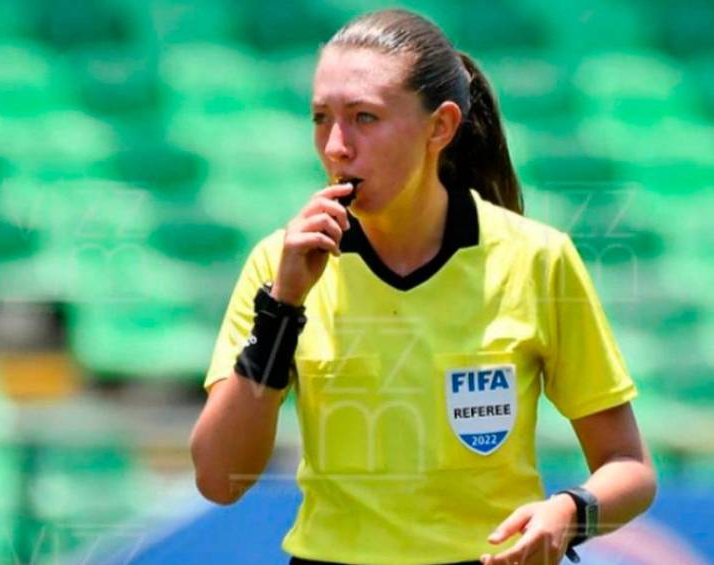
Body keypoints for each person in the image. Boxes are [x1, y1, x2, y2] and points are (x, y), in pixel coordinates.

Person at [190, 9, 657, 565]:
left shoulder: (538, 259)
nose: (336, 146)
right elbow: (219, 479)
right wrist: (283, 307)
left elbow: (630, 468)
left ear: (440, 127)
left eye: (364, 117)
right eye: (321, 118)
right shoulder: (279, 264)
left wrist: (569, 513)